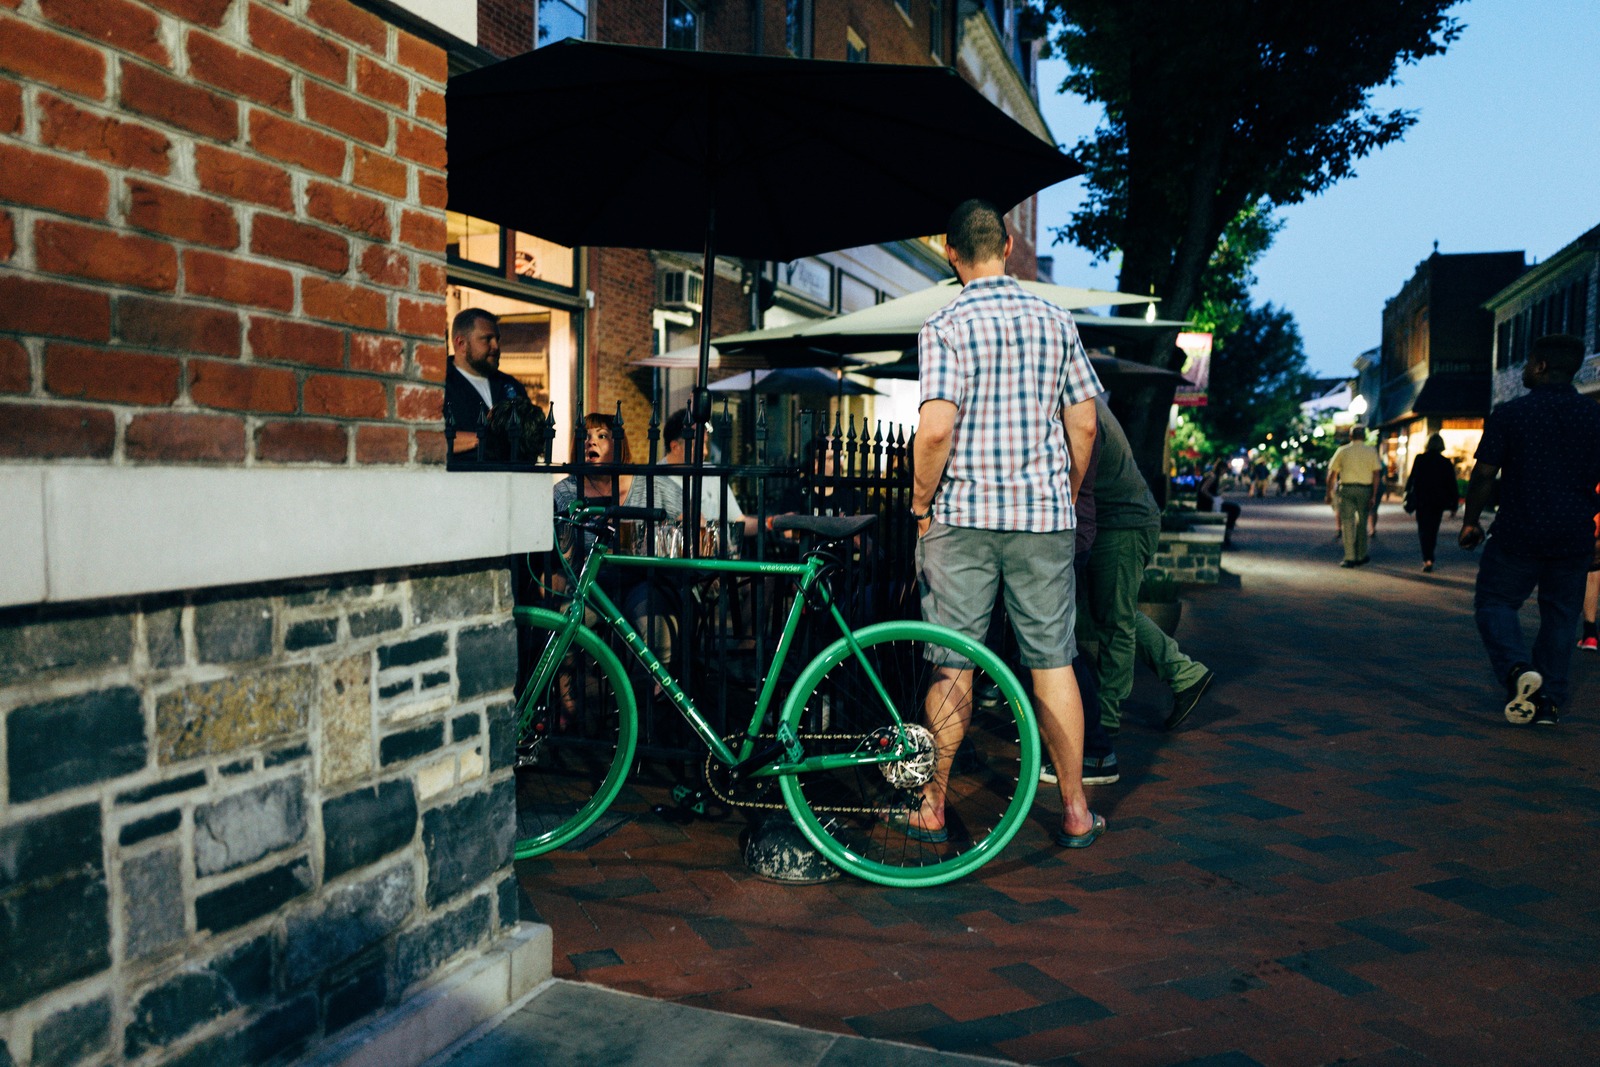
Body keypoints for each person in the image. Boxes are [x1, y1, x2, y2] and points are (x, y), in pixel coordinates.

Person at [909, 198, 1105, 849]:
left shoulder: (944, 323)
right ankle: (1075, 808)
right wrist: (1067, 491)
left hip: (962, 516)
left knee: (953, 662)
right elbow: (1083, 421)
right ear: (1011, 244)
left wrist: (919, 502)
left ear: (949, 251)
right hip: (1041, 516)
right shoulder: (1055, 320)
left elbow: (936, 426)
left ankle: (933, 802)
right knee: (1053, 661)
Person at [1460, 333, 1600, 725]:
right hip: (1573, 534)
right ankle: (1549, 702)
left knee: (1494, 603)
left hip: (1518, 531)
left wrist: (1471, 521)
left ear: (1540, 366)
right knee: (1560, 617)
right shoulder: (1594, 416)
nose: (1523, 370)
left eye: (1527, 363)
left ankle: (1518, 670)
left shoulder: (1511, 413)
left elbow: (1485, 472)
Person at [1078, 396, 1215, 740]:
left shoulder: (1079, 406)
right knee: (1110, 613)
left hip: (1123, 522)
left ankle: (1107, 718)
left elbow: (1079, 485)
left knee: (1115, 620)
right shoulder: (1079, 397)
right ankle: (1185, 674)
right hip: (1118, 520)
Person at [443, 308, 529, 458]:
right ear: (461, 343)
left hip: (512, 479)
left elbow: (531, 436)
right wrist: (481, 440)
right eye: (487, 339)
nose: (496, 346)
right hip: (461, 479)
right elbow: (426, 440)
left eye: (497, 339)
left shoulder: (511, 385)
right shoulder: (439, 385)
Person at [1327, 426, 1383, 567]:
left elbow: (1332, 474)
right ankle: (1361, 555)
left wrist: (1329, 492)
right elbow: (1376, 474)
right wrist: (1374, 495)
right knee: (1362, 523)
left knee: (1347, 522)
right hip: (1365, 489)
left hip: (1346, 489)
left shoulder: (1342, 451)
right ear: (1364, 437)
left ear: (1351, 436)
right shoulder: (1371, 451)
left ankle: (1349, 557)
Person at [1404, 433, 1459, 573]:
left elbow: (1412, 478)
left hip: (1422, 499)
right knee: (1433, 529)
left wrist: (1406, 493)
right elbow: (1452, 484)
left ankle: (1427, 558)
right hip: (1438, 501)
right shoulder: (1446, 462)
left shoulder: (1420, 459)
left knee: (1423, 529)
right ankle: (1430, 557)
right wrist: (1454, 505)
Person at [1196, 459, 1240, 548]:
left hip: (1209, 503)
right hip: (1206, 504)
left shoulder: (1213, 476)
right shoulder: (1212, 476)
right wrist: (1213, 498)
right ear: (1220, 468)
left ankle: (1227, 535)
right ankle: (1226, 536)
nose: (1225, 472)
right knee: (1234, 509)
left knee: (1233, 509)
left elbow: (1213, 492)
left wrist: (1223, 489)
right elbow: (1203, 490)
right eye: (1224, 470)